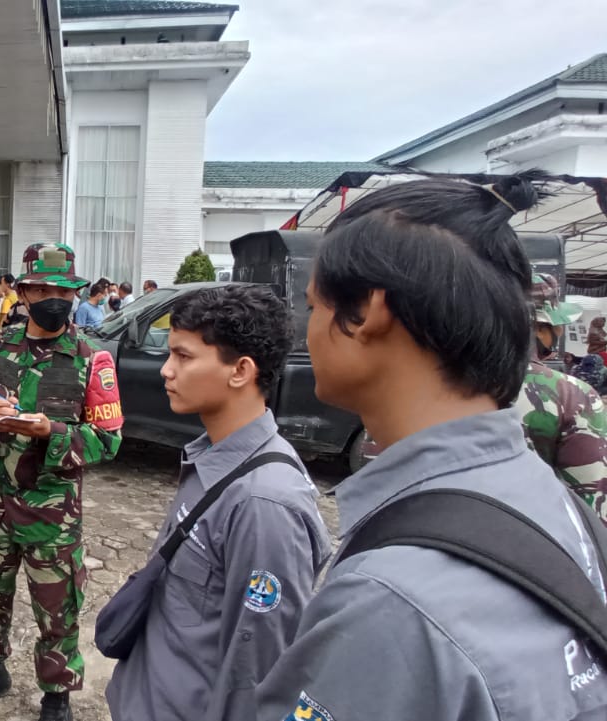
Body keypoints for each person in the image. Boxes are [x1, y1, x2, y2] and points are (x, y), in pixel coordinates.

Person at [254, 177, 607, 720]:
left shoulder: (391, 599)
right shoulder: (558, 509)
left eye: (314, 308)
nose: (309, 333)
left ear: (370, 312)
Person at [104, 285, 331, 721]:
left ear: (240, 371)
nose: (166, 371)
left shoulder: (265, 502)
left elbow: (256, 674)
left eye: (184, 357)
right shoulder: (213, 455)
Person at [0, 243, 123, 721]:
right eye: (41, 288)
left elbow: (108, 441)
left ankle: (56, 696)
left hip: (53, 514)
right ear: (22, 292)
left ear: (75, 293)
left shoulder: (92, 359)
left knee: (57, 609)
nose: (52, 297)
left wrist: (52, 431)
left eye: (62, 290)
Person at [514, 273, 607, 521]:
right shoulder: (571, 395)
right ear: (541, 328)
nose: (561, 330)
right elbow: (595, 504)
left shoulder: (444, 382)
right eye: (558, 323)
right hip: (541, 542)